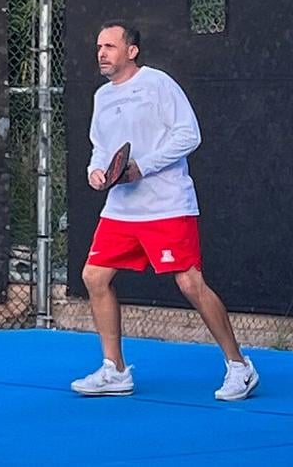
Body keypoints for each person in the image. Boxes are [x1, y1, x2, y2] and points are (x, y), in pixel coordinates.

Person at [70, 20, 259, 401]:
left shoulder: (158, 84)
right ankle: (115, 370)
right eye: (98, 47)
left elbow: (189, 134)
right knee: (94, 277)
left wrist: (143, 166)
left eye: (109, 46)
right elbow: (101, 147)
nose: (101, 53)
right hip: (121, 209)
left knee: (190, 283)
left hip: (168, 204)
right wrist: (96, 171)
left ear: (131, 50)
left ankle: (239, 366)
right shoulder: (102, 97)